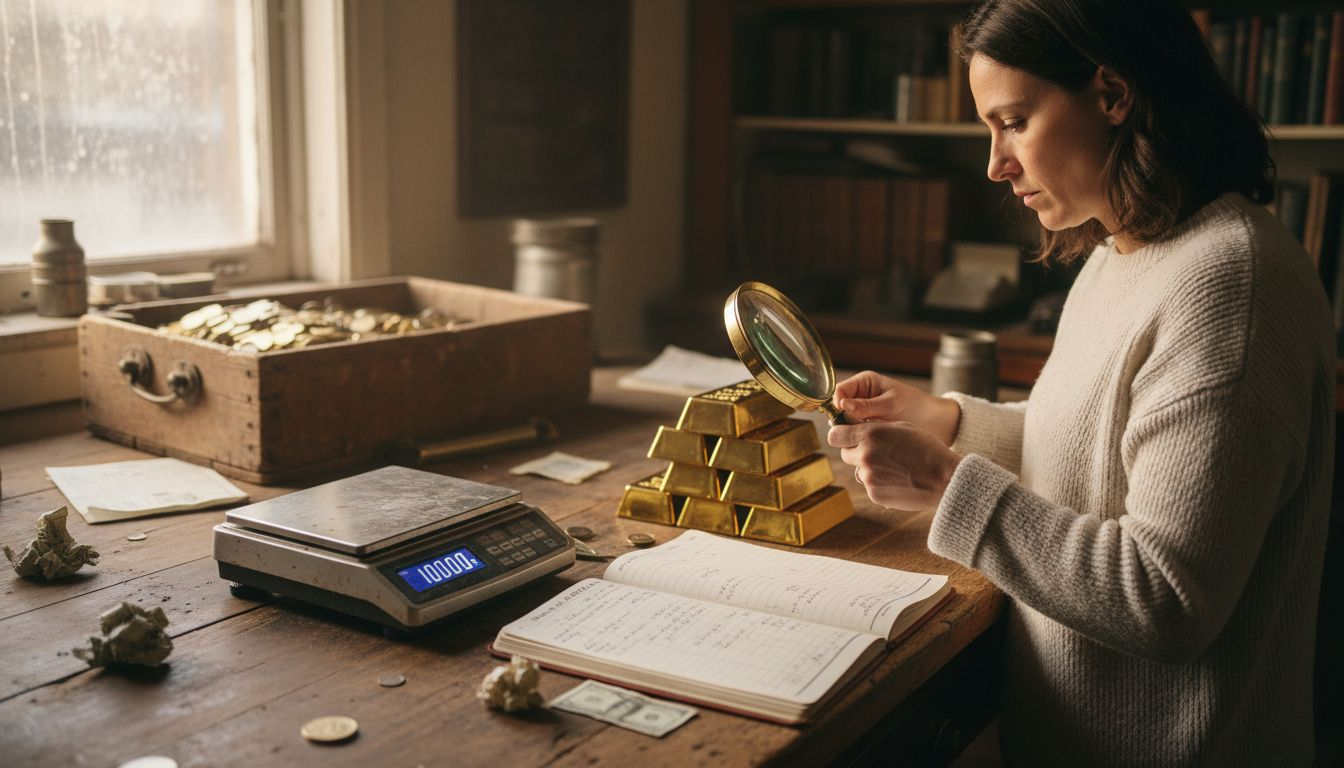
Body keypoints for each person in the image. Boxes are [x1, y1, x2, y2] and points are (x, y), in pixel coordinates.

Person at [826, 1, 1336, 765]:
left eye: (1014, 121)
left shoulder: (1234, 285)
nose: (995, 163)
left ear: (1111, 95)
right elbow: (1093, 447)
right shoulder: (1121, 251)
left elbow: (1164, 599)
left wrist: (944, 485)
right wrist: (948, 423)